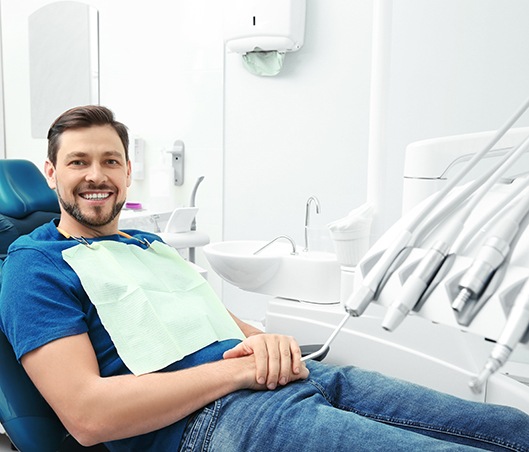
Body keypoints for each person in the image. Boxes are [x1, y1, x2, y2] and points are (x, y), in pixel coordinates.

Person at [0, 105, 529, 452]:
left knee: (510, 430)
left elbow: (227, 327)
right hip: (212, 422)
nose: (96, 175)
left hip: (297, 380)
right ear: (52, 174)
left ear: (127, 172)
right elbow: (89, 416)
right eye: (78, 162)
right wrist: (236, 374)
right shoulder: (33, 265)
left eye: (109, 160)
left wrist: (269, 342)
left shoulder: (150, 246)